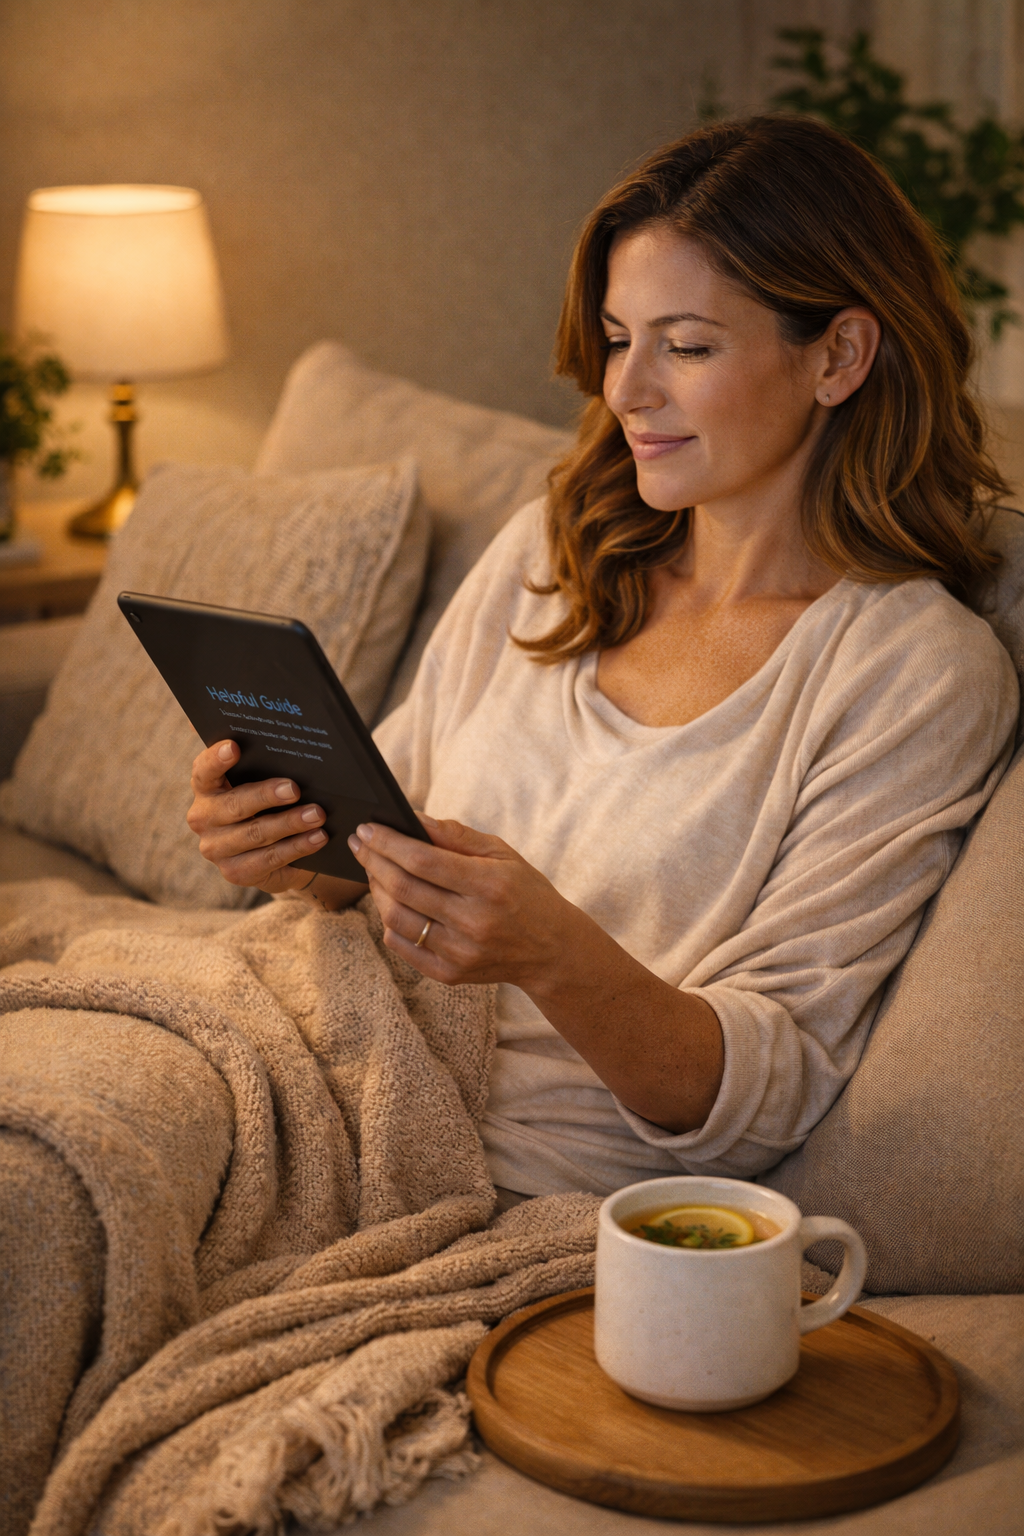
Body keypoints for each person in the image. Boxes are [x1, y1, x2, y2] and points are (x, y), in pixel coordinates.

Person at [187, 116, 1018, 1198]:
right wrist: (290, 848)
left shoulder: (910, 677)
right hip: (297, 1047)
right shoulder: (559, 545)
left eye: (686, 344)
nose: (625, 391)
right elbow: (378, 837)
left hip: (471, 1173)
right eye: (620, 338)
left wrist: (551, 952)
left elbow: (764, 1101)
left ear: (839, 356)